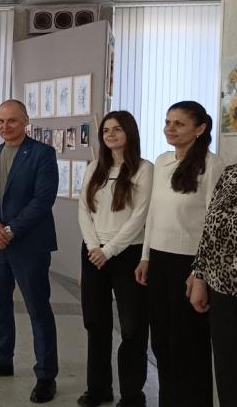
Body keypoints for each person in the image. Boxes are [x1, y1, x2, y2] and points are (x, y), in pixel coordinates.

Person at [134, 101, 224, 407]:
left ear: (200, 129)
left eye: (179, 123)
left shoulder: (212, 166)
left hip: (190, 265)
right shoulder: (162, 161)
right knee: (161, 341)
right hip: (159, 260)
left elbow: (214, 224)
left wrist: (201, 272)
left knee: (189, 344)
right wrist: (146, 256)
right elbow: (153, 214)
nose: (169, 129)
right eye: (167, 122)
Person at [0, 99, 59, 403]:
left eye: (11, 120)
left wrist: (10, 230)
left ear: (25, 121)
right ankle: (1, 360)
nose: (5, 126)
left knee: (38, 309)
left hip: (29, 244)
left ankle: (46, 376)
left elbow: (43, 199)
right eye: (0, 121)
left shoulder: (42, 154)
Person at [189, 100, 237, 407]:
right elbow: (211, 229)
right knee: (232, 378)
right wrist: (199, 276)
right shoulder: (234, 174)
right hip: (223, 295)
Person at [76, 111, 153, 407]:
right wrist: (93, 246)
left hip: (127, 253)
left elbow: (140, 216)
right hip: (93, 252)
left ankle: (132, 395)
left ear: (130, 133)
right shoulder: (94, 168)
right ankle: (98, 389)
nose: (110, 134)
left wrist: (108, 251)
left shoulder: (144, 169)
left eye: (117, 129)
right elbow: (83, 210)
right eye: (106, 130)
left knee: (132, 326)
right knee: (95, 324)